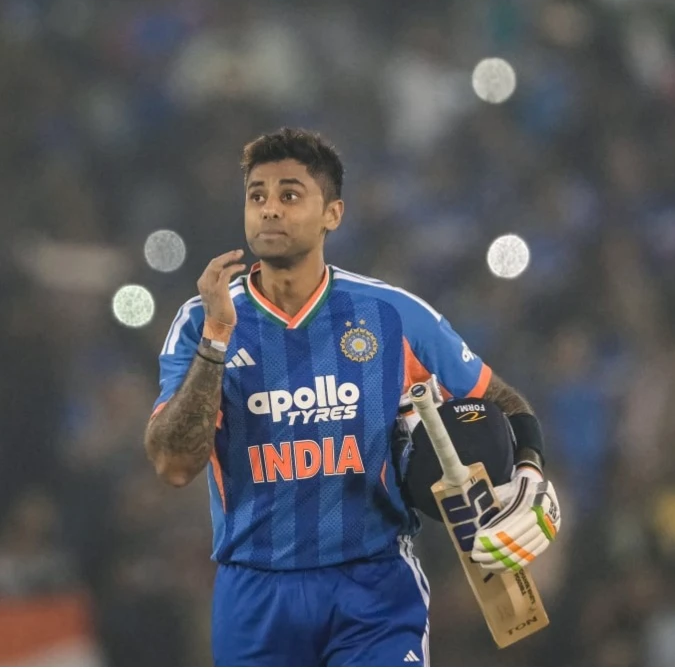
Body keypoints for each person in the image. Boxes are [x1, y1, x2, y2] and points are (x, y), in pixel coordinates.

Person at [144, 127, 562, 666]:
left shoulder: (393, 314)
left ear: (332, 214)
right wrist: (216, 341)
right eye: (257, 196)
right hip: (255, 594)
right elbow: (174, 464)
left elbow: (502, 401)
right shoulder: (201, 320)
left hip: (375, 588)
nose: (270, 208)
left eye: (290, 194)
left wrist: (528, 473)